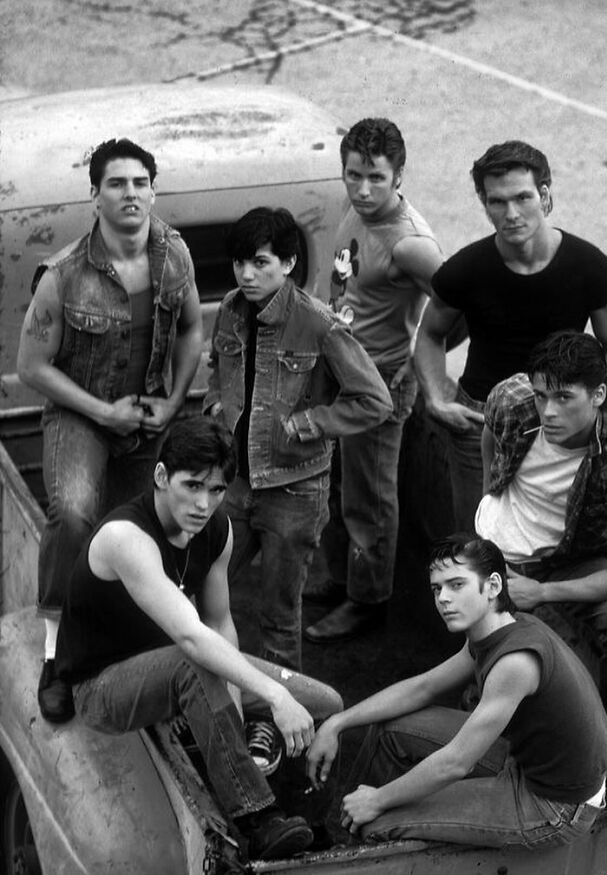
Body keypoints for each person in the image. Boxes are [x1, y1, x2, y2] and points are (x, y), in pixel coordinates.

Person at [54, 417, 343, 862]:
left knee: (325, 705)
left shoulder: (217, 530)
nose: (203, 503)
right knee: (198, 665)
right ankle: (258, 820)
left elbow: (220, 623)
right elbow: (192, 638)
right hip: (102, 688)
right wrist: (271, 694)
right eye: (191, 486)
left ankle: (317, 820)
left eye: (216, 490)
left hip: (172, 665)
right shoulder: (124, 537)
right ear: (161, 476)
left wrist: (235, 703)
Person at [16, 138, 203, 723]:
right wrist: (102, 413)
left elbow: (193, 329)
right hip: (82, 416)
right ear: (94, 194)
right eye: (116, 184)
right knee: (73, 514)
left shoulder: (175, 255)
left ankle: (151, 639)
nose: (130, 194)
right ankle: (56, 654)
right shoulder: (64, 275)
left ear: (153, 188)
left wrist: (173, 402)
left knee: (150, 524)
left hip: (148, 413)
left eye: (139, 183)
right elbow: (31, 368)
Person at [306, 535, 607, 849]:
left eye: (456, 585)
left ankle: (364, 835)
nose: (443, 599)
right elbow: (423, 687)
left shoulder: (515, 662)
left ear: (493, 586)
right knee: (391, 730)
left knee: (377, 821)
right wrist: (336, 723)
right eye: (437, 589)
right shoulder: (498, 629)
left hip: (554, 806)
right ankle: (353, 827)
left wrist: (379, 800)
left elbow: (455, 763)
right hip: (529, 764)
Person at [475, 330, 607, 815]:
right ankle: (493, 773)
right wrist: (487, 504)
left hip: (570, 555)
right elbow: (488, 435)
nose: (549, 412)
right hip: (502, 550)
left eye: (564, 398)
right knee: (492, 669)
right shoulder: (512, 400)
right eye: (543, 395)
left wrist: (542, 591)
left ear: (599, 395)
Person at [204, 206, 392, 675]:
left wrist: (307, 423)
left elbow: (374, 400)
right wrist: (214, 409)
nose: (247, 274)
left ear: (288, 264)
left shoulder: (319, 324)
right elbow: (217, 372)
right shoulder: (228, 310)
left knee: (279, 618)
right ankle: (205, 696)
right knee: (201, 592)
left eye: (261, 263)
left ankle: (279, 722)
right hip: (235, 485)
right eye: (239, 263)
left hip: (295, 491)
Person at [414, 140, 607, 535]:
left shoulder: (589, 267)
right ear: (484, 203)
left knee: (555, 541)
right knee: (478, 542)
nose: (511, 213)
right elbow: (429, 334)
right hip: (480, 420)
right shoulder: (466, 269)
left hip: (562, 425)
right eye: (497, 202)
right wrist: (435, 397)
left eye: (522, 197)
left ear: (545, 195)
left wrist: (578, 404)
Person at [304, 117, 443, 644]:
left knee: (370, 496)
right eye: (354, 175)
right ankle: (344, 579)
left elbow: (458, 302)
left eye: (376, 179)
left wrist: (421, 360)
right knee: (341, 481)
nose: (363, 189)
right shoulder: (353, 206)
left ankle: (368, 601)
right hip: (340, 365)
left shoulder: (410, 244)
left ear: (399, 176)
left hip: (378, 378)